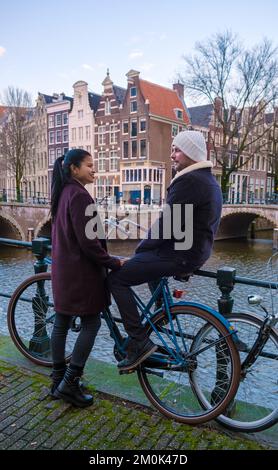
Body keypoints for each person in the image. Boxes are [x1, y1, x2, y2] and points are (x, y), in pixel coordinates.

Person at [108, 130, 222, 372]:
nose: (172, 155)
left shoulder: (189, 181)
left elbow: (167, 225)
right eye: (172, 149)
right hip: (193, 252)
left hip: (180, 255)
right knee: (148, 268)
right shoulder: (207, 180)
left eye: (177, 150)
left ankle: (139, 342)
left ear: (191, 152)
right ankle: (161, 314)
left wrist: (140, 252)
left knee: (117, 279)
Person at [50, 148, 123, 407]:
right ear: (74, 168)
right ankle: (70, 383)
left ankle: (57, 379)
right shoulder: (80, 196)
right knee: (92, 325)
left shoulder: (62, 192)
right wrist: (113, 262)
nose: (94, 169)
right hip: (81, 274)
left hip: (64, 270)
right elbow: (89, 244)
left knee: (61, 322)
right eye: (89, 165)